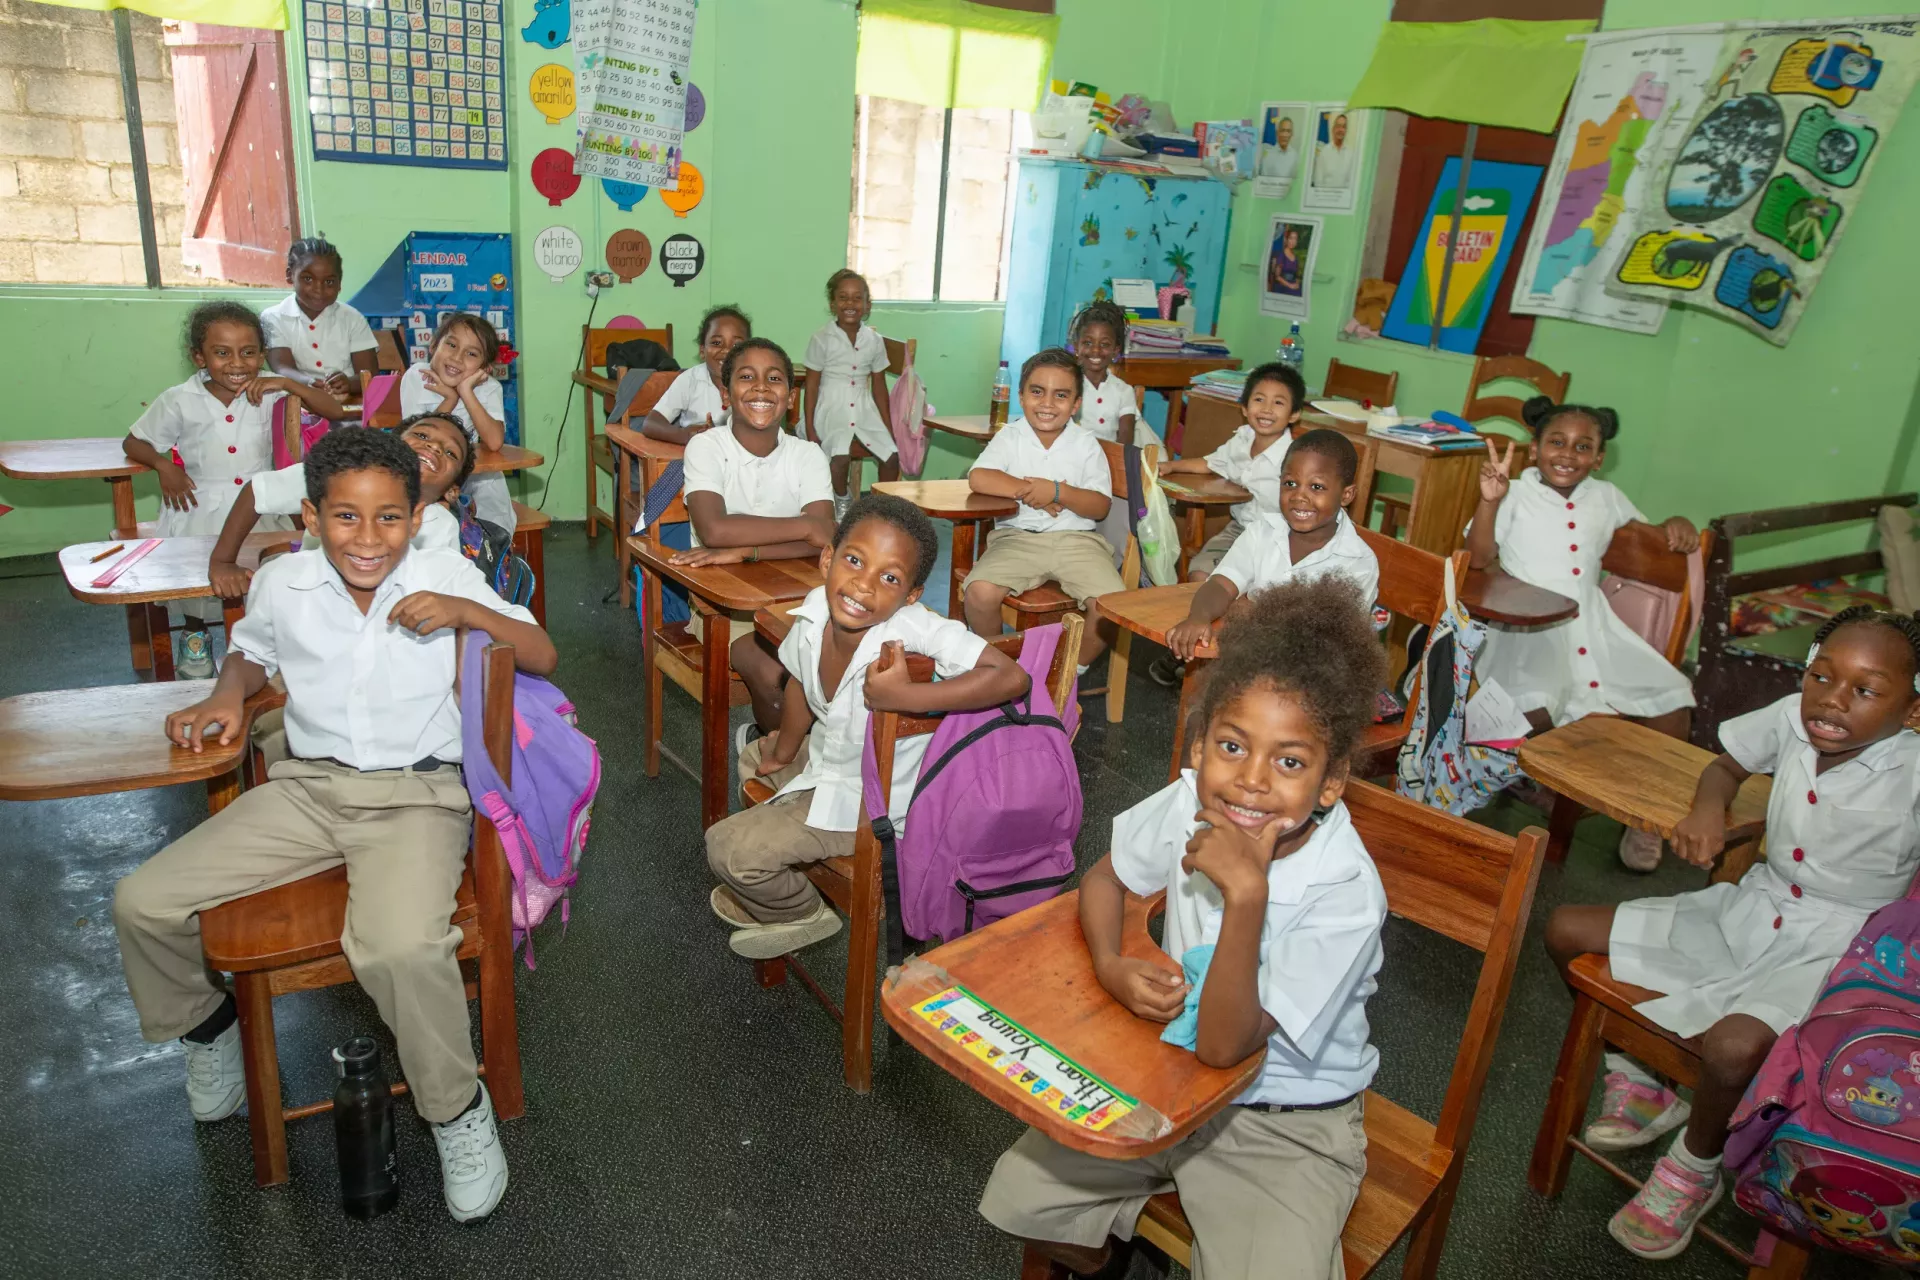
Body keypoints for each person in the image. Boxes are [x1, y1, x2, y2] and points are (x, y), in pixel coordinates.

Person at [111, 427, 557, 1224]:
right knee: (144, 901)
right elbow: (250, 653)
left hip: (415, 799)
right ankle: (206, 1024)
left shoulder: (443, 571)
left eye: (390, 517)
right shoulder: (284, 583)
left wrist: (463, 609)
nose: (368, 537)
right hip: (309, 790)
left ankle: (457, 1111)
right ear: (312, 518)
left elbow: (541, 651)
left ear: (416, 517)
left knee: (395, 947)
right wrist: (226, 693)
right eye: (346, 518)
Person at [979, 577, 1389, 1280]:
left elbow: (1228, 1046)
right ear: (1199, 744)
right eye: (1232, 746)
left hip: (1283, 1120)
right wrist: (1110, 963)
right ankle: (1125, 1251)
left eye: (1289, 762)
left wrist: (1247, 894)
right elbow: (1106, 880)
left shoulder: (1345, 890)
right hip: (1163, 1078)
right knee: (1016, 1200)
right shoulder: (1183, 802)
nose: (1251, 782)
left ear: (1331, 781)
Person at [1543, 607, 1920, 1261]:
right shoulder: (1792, 720)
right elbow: (1724, 768)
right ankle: (1648, 1081)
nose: (1832, 700)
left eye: (1865, 690)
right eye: (1821, 675)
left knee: (1729, 1048)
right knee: (1563, 928)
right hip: (1751, 910)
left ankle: (1696, 1164)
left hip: (1839, 950)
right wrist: (1708, 810)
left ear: (1911, 709)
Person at [706, 493, 1031, 959]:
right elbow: (801, 684)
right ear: (827, 558)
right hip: (831, 764)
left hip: (875, 802)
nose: (863, 586)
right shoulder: (816, 609)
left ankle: (802, 911)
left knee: (726, 849)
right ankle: (779, 876)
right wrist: (782, 753)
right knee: (757, 755)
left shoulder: (913, 626)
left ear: (910, 595)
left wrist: (905, 696)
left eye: (890, 577)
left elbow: (1012, 676)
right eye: (854, 560)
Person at [1466, 397, 1700, 870]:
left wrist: (1676, 525)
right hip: (1527, 628)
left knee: (1674, 698)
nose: (1568, 454)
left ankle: (1646, 820)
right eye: (1556, 442)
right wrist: (1489, 502)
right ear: (1534, 449)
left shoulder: (1607, 497)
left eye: (1583, 446)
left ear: (1598, 457)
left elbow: (1650, 538)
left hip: (1594, 627)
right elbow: (1476, 558)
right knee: (1532, 708)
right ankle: (1488, 794)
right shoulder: (1513, 492)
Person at [121, 300, 345, 678]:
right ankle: (196, 643)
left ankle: (261, 653)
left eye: (249, 352)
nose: (237, 363)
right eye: (222, 353)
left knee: (266, 581)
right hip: (199, 506)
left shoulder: (271, 390)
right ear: (198, 356)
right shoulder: (179, 398)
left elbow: (335, 411)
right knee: (199, 590)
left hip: (259, 506)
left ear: (262, 354)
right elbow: (135, 442)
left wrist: (289, 382)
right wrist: (164, 466)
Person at [668, 338, 837, 745]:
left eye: (774, 378)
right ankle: (777, 753)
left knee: (843, 662)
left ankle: (816, 755)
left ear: (791, 397)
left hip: (803, 598)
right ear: (725, 393)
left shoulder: (808, 454)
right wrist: (802, 526)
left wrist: (747, 550)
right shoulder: (706, 446)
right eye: (746, 377)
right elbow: (715, 530)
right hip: (724, 608)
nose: (761, 388)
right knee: (772, 672)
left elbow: (827, 536)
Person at [1162, 430, 1379, 678]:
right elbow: (1222, 584)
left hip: (1313, 677)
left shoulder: (1357, 561)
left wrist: (1248, 610)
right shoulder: (1262, 531)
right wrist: (1198, 617)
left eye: (1316, 486)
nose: (1299, 496)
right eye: (1290, 483)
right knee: (1203, 712)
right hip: (1248, 660)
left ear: (1347, 495)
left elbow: (1333, 642)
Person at [962, 348, 1123, 673]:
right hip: (1016, 539)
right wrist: (1033, 490)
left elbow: (1100, 505)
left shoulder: (1085, 444)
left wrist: (1058, 492)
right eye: (1038, 392)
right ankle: (1001, 668)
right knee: (978, 594)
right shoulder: (1011, 436)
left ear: (1076, 404)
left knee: (1113, 607)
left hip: (1078, 542)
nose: (1047, 403)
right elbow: (979, 477)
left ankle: (1069, 672)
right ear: (1021, 396)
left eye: (1060, 395)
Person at [1150, 363, 1310, 686]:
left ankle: (1221, 663)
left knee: (1241, 601)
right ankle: (1189, 645)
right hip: (1239, 531)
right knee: (1198, 574)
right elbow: (1211, 462)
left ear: (1294, 414)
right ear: (1244, 407)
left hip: (1275, 539)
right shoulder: (1242, 439)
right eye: (1259, 400)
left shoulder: (1293, 458)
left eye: (1278, 403)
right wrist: (1171, 466)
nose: (1266, 410)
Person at [207, 412, 476, 599]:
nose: (434, 448)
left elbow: (438, 592)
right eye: (422, 435)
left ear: (451, 492)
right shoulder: (341, 474)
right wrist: (222, 561)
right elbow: (257, 491)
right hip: (311, 603)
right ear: (392, 443)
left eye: (450, 452)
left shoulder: (441, 526)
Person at [401, 311, 513, 534]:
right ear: (433, 345)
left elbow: (493, 442)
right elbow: (419, 438)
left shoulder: (489, 388)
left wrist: (465, 392)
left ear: (485, 368)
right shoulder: (417, 376)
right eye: (451, 345)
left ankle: (484, 559)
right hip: (425, 470)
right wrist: (451, 399)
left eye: (472, 353)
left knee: (488, 521)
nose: (457, 358)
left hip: (474, 477)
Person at [804, 270, 898, 515]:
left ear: (867, 305)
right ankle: (842, 498)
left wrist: (888, 428)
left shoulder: (874, 340)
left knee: (891, 457)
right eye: (843, 298)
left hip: (864, 408)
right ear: (833, 304)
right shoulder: (821, 338)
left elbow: (879, 386)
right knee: (839, 456)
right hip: (831, 408)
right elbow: (812, 385)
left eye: (857, 298)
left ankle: (882, 509)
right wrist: (812, 428)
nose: (850, 303)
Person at [261, 236, 379, 399]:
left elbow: (369, 375)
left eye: (329, 282)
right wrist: (310, 383)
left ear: (340, 283)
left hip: (351, 405)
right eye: (308, 279)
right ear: (290, 275)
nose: (319, 289)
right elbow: (282, 368)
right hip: (301, 404)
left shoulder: (352, 318)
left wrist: (349, 383)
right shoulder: (274, 318)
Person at [641, 304, 750, 446]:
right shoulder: (690, 380)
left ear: (749, 351)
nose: (726, 351)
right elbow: (651, 423)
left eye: (736, 345)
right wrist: (685, 435)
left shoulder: (754, 384)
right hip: (695, 455)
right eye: (717, 343)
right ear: (702, 351)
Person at [1068, 300, 1153, 450]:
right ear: (1076, 347)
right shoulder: (1067, 384)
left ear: (1115, 351)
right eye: (1088, 343)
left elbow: (1125, 441)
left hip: (1109, 463)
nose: (1095, 350)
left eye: (1105, 344)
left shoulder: (1123, 391)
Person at [1311, 112, 1356, 191]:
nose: (1340, 130)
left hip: (1343, 199)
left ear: (1346, 130)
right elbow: (1318, 181)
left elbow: (1351, 182)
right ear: (1333, 129)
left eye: (1343, 127)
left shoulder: (1351, 154)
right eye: (1338, 126)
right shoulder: (1324, 152)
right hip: (1326, 198)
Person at [1259, 110, 1298, 182]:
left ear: (1292, 134)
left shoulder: (1295, 156)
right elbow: (1263, 180)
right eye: (1282, 130)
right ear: (1277, 133)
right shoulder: (1268, 154)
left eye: (1288, 131)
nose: (1285, 135)